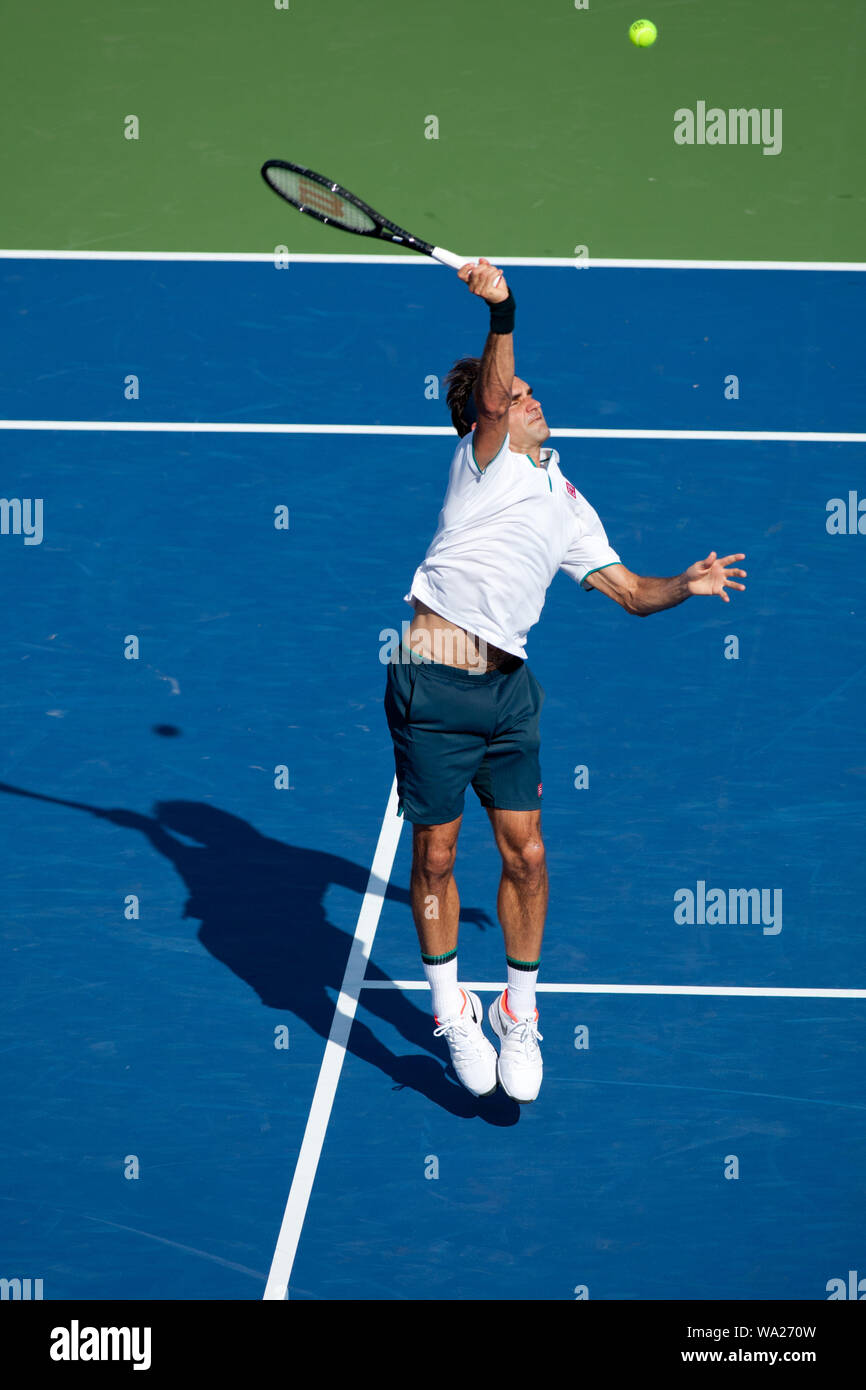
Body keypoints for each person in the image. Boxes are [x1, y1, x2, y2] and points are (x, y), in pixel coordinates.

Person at [384, 259, 746, 1103]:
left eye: (524, 393)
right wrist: (502, 307)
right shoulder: (484, 462)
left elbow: (627, 593)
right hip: (436, 687)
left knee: (529, 854)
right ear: (490, 415)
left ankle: (519, 1009)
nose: (529, 397)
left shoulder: (566, 498)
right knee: (436, 856)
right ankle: (450, 1009)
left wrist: (681, 587)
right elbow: (496, 382)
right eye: (514, 395)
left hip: (509, 693)